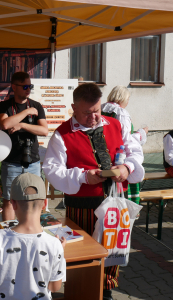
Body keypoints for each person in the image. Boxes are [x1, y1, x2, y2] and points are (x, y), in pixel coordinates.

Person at [42, 83, 144, 300]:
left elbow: (135, 150)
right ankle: (80, 293)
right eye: (87, 113)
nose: (94, 117)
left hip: (115, 203)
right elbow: (51, 170)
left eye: (96, 111)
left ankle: (105, 292)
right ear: (74, 108)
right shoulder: (62, 134)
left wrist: (127, 168)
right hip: (82, 206)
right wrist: (82, 176)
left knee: (112, 251)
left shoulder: (116, 124)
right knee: (81, 255)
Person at [0, 172, 66, 300]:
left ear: (13, 204)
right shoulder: (54, 244)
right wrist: (60, 251)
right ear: (45, 204)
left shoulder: (0, 237)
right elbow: (55, 287)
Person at [0, 71, 48, 221]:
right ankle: (9, 234)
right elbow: (5, 123)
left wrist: (22, 125)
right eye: (25, 86)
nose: (28, 89)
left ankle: (31, 229)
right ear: (14, 87)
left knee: (34, 198)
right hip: (11, 161)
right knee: (9, 199)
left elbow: (44, 130)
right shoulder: (5, 106)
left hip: (33, 161)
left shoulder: (36, 106)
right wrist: (26, 112)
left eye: (30, 86)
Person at [101, 85, 148, 205]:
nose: (127, 102)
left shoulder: (101, 108)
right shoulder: (121, 112)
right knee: (121, 195)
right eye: (127, 99)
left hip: (101, 155)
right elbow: (125, 139)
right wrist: (141, 134)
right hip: (118, 158)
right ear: (123, 98)